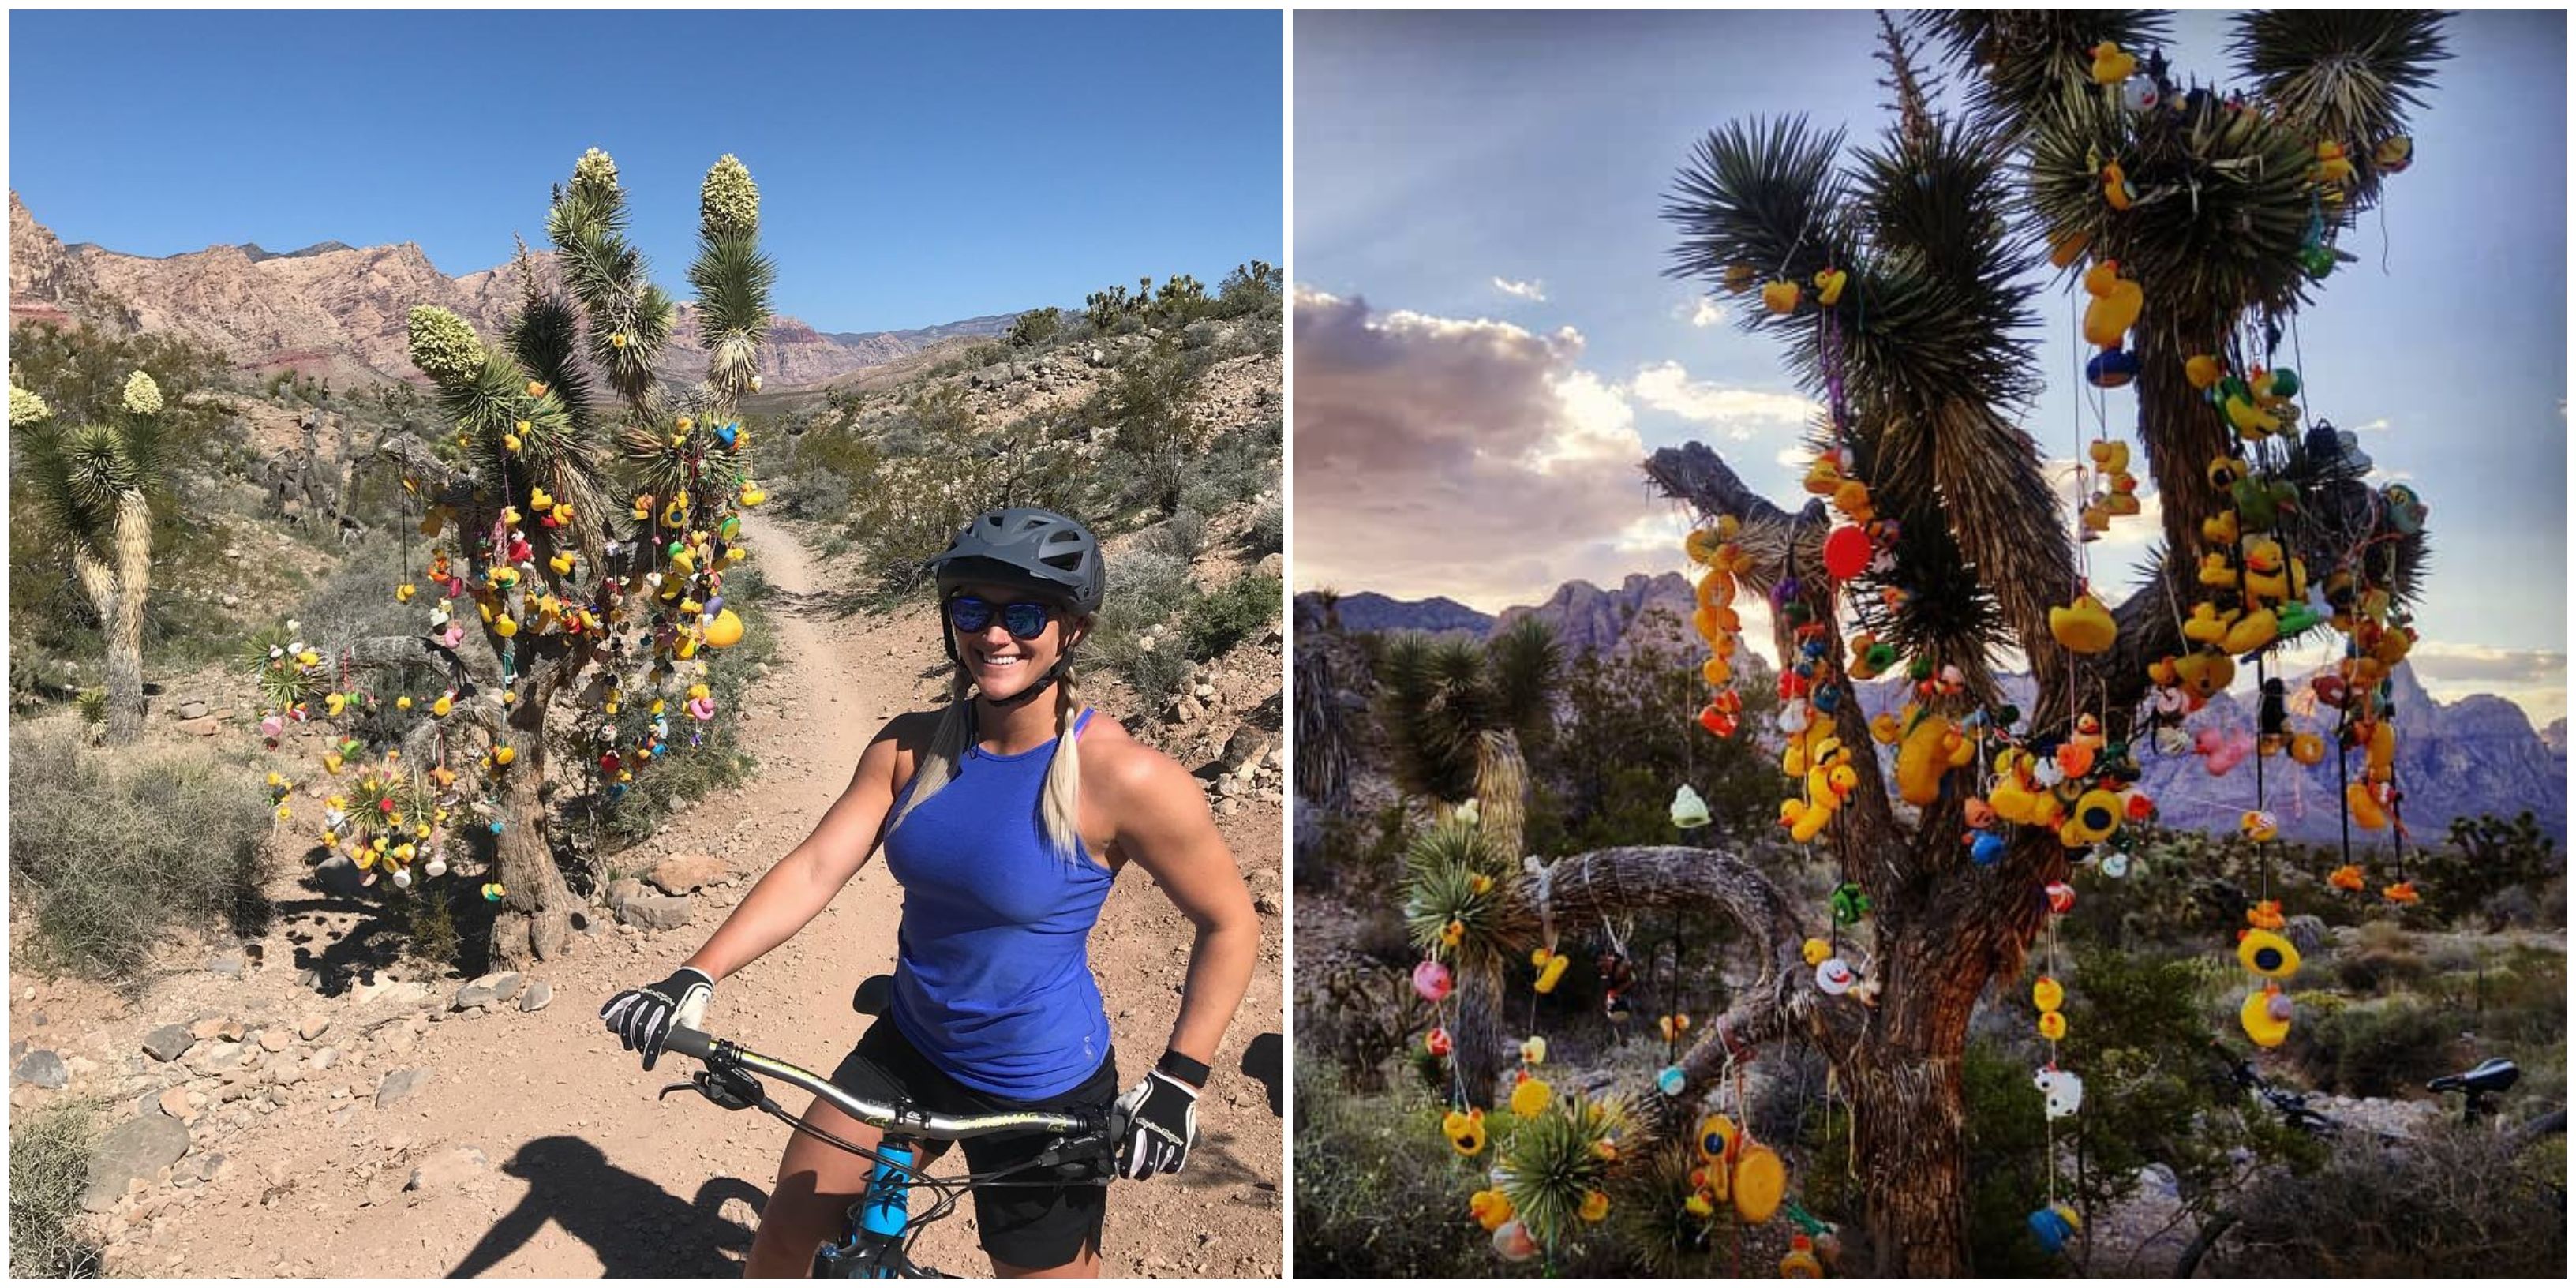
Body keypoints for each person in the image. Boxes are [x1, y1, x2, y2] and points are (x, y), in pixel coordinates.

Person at [601, 507, 1260, 1277]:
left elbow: (1229, 923)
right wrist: (694, 974)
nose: (995, 633)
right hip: (912, 1048)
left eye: (1025, 614)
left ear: (1073, 629)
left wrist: (1179, 1080)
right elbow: (815, 868)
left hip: (1042, 1087)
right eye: (973, 609)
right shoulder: (909, 748)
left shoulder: (1126, 778)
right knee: (784, 1237)